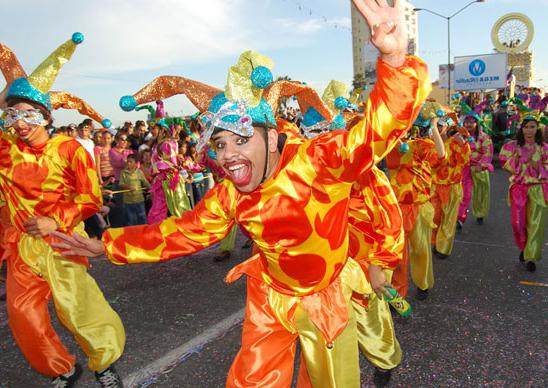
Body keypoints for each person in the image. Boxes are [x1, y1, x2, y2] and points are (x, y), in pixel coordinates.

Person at [55, 5, 429, 385]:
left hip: (325, 297)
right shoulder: (230, 195)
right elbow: (181, 232)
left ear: (271, 137)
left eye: (241, 138)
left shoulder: (317, 163)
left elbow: (376, 133)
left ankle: (383, 356)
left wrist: (396, 60)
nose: (228, 154)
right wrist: (107, 245)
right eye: (219, 143)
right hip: (268, 297)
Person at [0, 33, 124, 387]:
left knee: (77, 308)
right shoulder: (5, 148)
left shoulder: (70, 149)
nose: (20, 123)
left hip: (63, 240)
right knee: (23, 315)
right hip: (21, 247)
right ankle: (63, 369)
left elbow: (90, 200)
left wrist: (55, 220)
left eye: (28, 114)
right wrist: (13, 93)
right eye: (12, 115)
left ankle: (104, 363)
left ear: (45, 116)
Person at [387, 105, 446, 300]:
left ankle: (423, 283)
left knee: (421, 249)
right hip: (397, 207)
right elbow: (389, 161)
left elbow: (441, 157)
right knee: (398, 256)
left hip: (420, 206)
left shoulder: (423, 144)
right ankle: (398, 294)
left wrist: (434, 127)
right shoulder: (393, 144)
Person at [499, 115, 547, 272]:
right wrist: (517, 160)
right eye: (526, 127)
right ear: (521, 128)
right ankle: (524, 246)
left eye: (532, 127)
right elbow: (504, 162)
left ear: (537, 128)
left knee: (536, 224)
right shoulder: (512, 146)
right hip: (519, 188)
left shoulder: (544, 148)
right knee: (517, 223)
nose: (529, 130)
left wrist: (537, 165)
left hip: (538, 188)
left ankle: (531, 256)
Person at [431, 113, 471, 258]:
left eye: (441, 125)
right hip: (434, 186)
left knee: (448, 219)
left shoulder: (455, 143)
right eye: (436, 125)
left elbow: (464, 161)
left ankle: (443, 248)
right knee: (434, 217)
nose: (438, 127)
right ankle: (435, 241)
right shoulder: (430, 142)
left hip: (452, 187)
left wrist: (463, 144)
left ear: (448, 126)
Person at [457, 114, 493, 228]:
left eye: (471, 122)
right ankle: (460, 218)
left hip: (479, 169)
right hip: (464, 169)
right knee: (464, 194)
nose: (468, 124)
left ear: (476, 123)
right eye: (466, 122)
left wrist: (482, 165)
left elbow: (488, 152)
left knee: (480, 193)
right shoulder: (459, 136)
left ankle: (480, 213)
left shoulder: (484, 137)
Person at [119, 154, 151, 226]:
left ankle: (144, 233)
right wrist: (128, 187)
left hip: (139, 200)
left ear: (136, 163)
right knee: (131, 220)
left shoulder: (139, 172)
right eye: (127, 161)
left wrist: (152, 189)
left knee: (142, 218)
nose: (128, 163)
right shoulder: (123, 172)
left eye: (131, 162)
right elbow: (121, 184)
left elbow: (145, 182)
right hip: (128, 201)